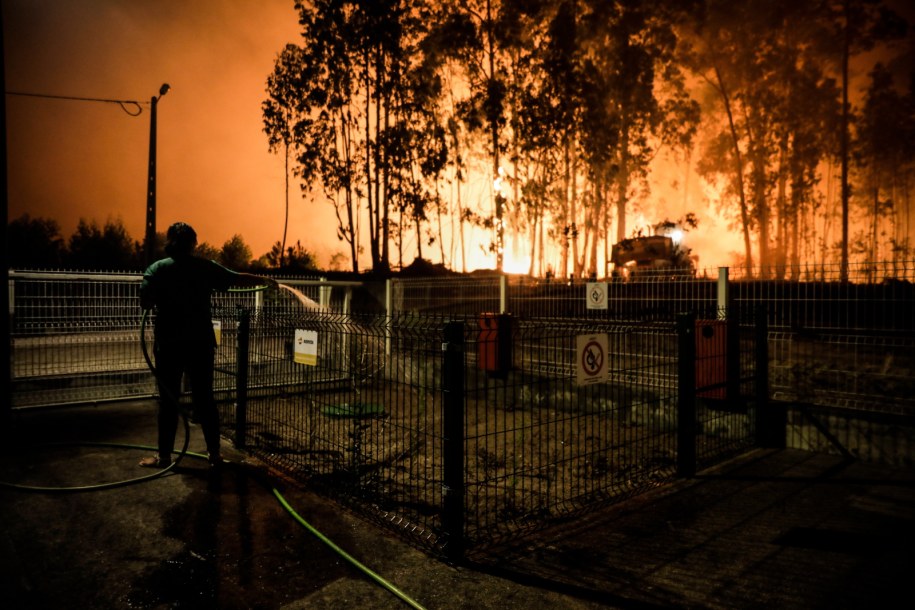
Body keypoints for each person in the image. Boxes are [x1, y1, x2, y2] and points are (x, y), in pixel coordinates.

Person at [139, 221, 277, 468]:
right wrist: (265, 280)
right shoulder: (204, 268)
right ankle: (214, 455)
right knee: (205, 399)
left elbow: (145, 303)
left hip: (169, 344)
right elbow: (236, 279)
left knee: (168, 400)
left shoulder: (156, 269)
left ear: (169, 243)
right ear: (193, 244)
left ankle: (164, 457)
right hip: (200, 343)